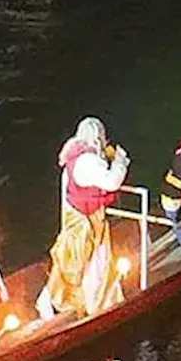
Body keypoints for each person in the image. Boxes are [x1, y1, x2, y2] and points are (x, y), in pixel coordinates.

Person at [34, 117, 131, 322]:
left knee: (72, 261)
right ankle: (95, 305)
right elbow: (112, 182)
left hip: (77, 216)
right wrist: (120, 161)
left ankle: (74, 301)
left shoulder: (72, 157)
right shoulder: (88, 161)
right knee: (89, 263)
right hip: (86, 220)